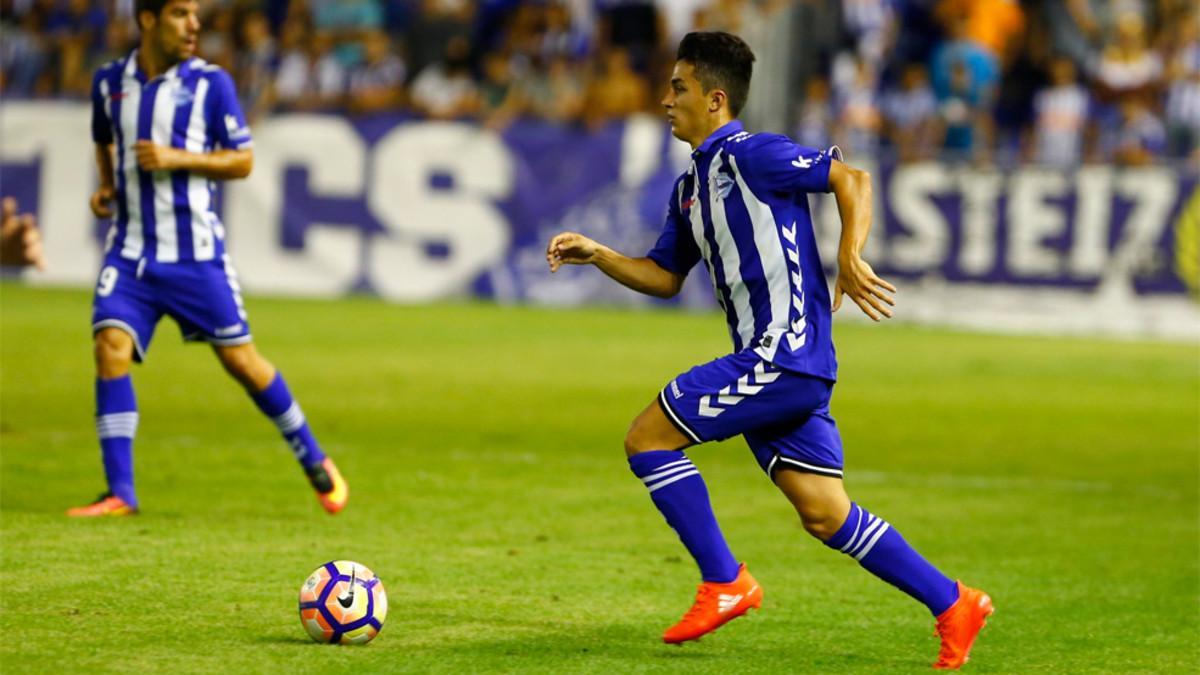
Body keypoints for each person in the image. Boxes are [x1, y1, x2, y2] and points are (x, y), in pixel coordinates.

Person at [545, 31, 993, 669]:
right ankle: (954, 603)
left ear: (716, 98)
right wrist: (600, 255)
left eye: (679, 87)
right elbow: (665, 278)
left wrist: (848, 254)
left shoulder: (753, 155)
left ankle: (725, 581)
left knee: (648, 438)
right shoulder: (691, 187)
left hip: (780, 356)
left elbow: (852, 178)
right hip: (787, 369)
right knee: (825, 513)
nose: (667, 99)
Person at [70, 0, 347, 517]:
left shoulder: (211, 84)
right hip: (130, 254)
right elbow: (103, 139)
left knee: (241, 361)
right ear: (147, 18)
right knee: (109, 346)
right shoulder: (109, 81)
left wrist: (178, 158)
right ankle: (120, 492)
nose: (195, 24)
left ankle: (313, 455)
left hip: (196, 257)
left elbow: (242, 159)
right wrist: (106, 188)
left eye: (196, 14)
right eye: (180, 13)